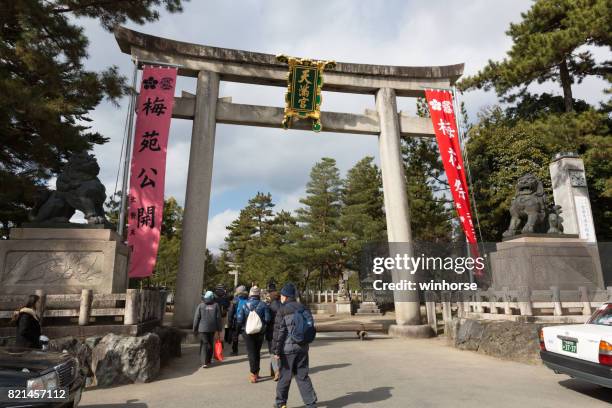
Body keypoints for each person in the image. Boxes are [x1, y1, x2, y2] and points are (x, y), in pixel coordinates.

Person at [273, 283, 317, 408]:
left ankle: (281, 403)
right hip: (303, 347)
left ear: (286, 296)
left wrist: (276, 351)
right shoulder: (303, 308)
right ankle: (311, 403)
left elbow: (278, 333)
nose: (281, 297)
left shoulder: (282, 310)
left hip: (287, 350)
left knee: (284, 377)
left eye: (282, 295)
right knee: (303, 376)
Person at [236, 286, 271, 383]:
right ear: (258, 294)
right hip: (260, 331)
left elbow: (239, 319)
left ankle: (253, 374)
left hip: (247, 332)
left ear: (250, 294)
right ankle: (257, 372)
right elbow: (268, 319)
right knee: (257, 351)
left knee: (251, 352)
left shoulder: (244, 304)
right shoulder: (263, 305)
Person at [192, 291, 222, 368]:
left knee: (204, 343)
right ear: (212, 297)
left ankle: (204, 362)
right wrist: (219, 329)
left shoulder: (201, 305)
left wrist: (194, 329)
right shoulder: (216, 305)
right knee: (210, 343)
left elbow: (196, 318)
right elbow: (218, 318)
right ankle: (208, 360)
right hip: (212, 328)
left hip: (202, 328)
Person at [265, 283, 282, 381]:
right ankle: (274, 369)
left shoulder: (269, 307)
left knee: (273, 351)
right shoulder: (283, 306)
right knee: (280, 351)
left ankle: (276, 371)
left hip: (271, 331)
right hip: (281, 330)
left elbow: (267, 320)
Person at [227, 285, 248, 355]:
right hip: (246, 321)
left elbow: (230, 313)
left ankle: (235, 351)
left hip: (236, 321)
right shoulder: (248, 299)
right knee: (247, 337)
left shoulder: (235, 300)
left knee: (235, 336)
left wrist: (229, 323)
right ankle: (249, 351)